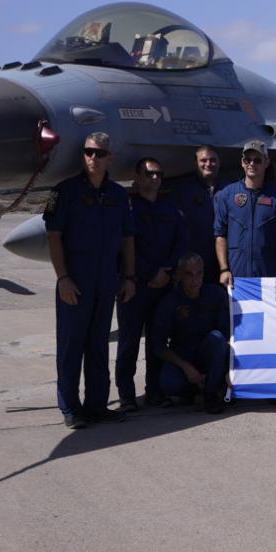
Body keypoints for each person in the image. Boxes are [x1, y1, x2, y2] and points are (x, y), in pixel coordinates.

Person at [45, 132, 136, 429]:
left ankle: (97, 405)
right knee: (71, 347)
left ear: (110, 157)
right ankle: (70, 408)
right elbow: (54, 237)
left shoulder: (119, 196)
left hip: (106, 281)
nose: (93, 158)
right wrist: (63, 278)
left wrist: (129, 277)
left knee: (98, 346)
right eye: (88, 152)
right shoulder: (65, 192)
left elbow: (127, 239)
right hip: (76, 282)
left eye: (99, 153)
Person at [115, 157, 187, 411]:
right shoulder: (129, 208)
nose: (154, 178)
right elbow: (124, 247)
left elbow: (180, 242)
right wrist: (148, 274)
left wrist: (166, 271)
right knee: (129, 343)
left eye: (158, 174)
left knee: (157, 342)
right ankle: (126, 396)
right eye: (148, 174)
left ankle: (154, 392)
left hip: (163, 285)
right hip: (134, 285)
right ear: (138, 177)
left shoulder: (170, 209)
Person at [153, 253, 231, 414]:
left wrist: (229, 369)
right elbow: (159, 346)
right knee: (168, 384)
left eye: (199, 273)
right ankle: (193, 388)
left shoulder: (216, 294)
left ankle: (211, 393)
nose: (195, 279)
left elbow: (227, 334)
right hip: (183, 356)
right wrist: (186, 367)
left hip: (209, 352)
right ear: (180, 275)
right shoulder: (169, 303)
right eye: (189, 274)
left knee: (217, 338)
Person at [214, 140, 276, 285]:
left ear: (266, 162)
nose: (251, 164)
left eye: (257, 160)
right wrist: (224, 269)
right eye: (247, 160)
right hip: (236, 274)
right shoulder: (227, 195)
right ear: (242, 162)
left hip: (267, 272)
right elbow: (220, 234)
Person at [174, 145, 224, 283]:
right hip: (193, 264)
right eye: (203, 160)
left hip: (223, 262)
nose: (208, 164)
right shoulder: (182, 192)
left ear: (219, 162)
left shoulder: (230, 190)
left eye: (213, 160)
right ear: (196, 163)